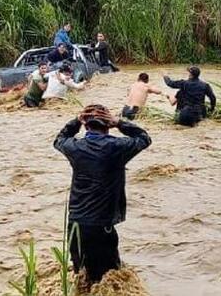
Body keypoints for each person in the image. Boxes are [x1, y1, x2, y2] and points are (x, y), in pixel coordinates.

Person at [54, 104, 151, 283]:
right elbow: (144, 138)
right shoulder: (117, 147)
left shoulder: (74, 147)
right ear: (108, 126)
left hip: (75, 224)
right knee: (109, 280)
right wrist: (120, 123)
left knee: (81, 278)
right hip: (102, 227)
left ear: (85, 125)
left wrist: (76, 121)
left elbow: (59, 139)